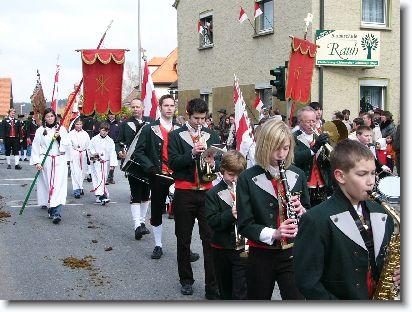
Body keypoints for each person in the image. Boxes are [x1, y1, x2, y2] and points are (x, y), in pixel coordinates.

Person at [293, 139, 400, 299]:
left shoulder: (383, 212)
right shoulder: (315, 219)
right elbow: (308, 282)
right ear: (340, 176)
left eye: (373, 173)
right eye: (362, 174)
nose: (371, 182)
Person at [236, 120, 310, 300]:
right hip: (261, 254)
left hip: (293, 252)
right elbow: (244, 224)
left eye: (285, 148)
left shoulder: (297, 174)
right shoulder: (247, 177)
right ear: (264, 146)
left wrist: (303, 212)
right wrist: (274, 233)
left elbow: (308, 209)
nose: (281, 154)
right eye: (276, 148)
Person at [168, 98, 220, 298]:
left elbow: (220, 162)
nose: (200, 122)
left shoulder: (211, 134)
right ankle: (186, 280)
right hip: (185, 192)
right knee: (183, 239)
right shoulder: (176, 135)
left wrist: (213, 162)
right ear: (188, 115)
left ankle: (212, 286)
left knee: (210, 240)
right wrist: (190, 153)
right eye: (196, 118)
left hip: (207, 192)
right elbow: (173, 162)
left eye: (203, 118)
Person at [132, 95, 179, 257]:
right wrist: (150, 167)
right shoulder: (149, 128)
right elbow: (138, 152)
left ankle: (184, 246)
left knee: (182, 213)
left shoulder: (180, 129)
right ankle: (158, 245)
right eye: (165, 105)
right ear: (160, 107)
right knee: (157, 210)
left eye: (171, 105)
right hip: (158, 175)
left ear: (175, 107)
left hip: (177, 177)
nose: (169, 108)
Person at [205, 150, 248, 300]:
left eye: (238, 175)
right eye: (231, 175)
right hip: (222, 248)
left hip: (243, 247)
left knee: (241, 291)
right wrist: (231, 214)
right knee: (225, 290)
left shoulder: (247, 190)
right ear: (222, 171)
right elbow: (212, 221)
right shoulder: (213, 193)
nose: (235, 179)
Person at [117, 99, 152, 240]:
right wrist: (119, 151)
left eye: (138, 107)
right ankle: (137, 225)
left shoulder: (151, 122)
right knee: (135, 193)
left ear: (143, 108)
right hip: (133, 163)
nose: (135, 109)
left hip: (148, 163)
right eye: (133, 107)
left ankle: (142, 222)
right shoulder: (125, 124)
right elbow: (118, 141)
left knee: (146, 194)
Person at [30, 108, 69, 224]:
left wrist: (59, 139)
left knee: (57, 185)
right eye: (47, 116)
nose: (50, 118)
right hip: (46, 160)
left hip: (59, 160)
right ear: (44, 118)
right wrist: (37, 162)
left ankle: (56, 212)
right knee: (49, 185)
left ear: (55, 117)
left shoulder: (61, 129)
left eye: (52, 116)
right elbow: (36, 147)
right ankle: (51, 207)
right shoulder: (40, 130)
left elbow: (66, 145)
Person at [293, 106, 332, 207]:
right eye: (308, 122)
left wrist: (328, 147)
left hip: (322, 182)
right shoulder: (293, 137)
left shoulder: (318, 136)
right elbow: (295, 158)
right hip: (305, 183)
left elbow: (328, 160)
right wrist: (313, 149)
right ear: (300, 122)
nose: (312, 124)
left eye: (314, 121)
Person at [88, 122, 118, 204]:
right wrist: (95, 156)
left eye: (106, 131)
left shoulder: (110, 140)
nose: (104, 132)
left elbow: (112, 152)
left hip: (106, 163)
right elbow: (90, 149)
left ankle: (99, 196)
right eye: (103, 130)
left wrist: (112, 164)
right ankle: (101, 195)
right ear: (99, 130)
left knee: (103, 178)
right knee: (98, 178)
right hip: (97, 162)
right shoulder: (94, 139)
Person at [68, 118, 90, 199]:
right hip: (74, 154)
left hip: (83, 154)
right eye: (77, 124)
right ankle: (76, 189)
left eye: (80, 124)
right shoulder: (70, 134)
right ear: (74, 124)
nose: (79, 126)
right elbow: (69, 145)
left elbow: (88, 146)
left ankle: (80, 186)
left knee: (82, 172)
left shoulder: (85, 134)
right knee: (74, 172)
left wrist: (90, 157)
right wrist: (70, 157)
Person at [105, 112, 120, 184]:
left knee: (112, 162)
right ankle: (106, 177)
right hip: (105, 144)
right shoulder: (104, 123)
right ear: (108, 115)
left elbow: (120, 135)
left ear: (115, 115)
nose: (111, 115)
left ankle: (111, 177)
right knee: (106, 162)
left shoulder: (119, 124)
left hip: (115, 144)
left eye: (113, 114)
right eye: (110, 114)